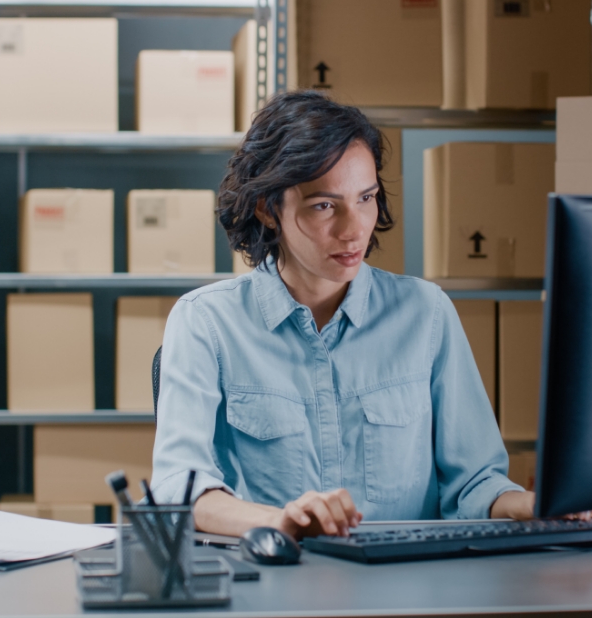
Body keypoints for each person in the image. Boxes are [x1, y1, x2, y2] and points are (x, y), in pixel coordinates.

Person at [150, 91, 536, 539]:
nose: (354, 229)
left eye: (366, 198)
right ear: (267, 208)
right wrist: (281, 522)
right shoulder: (206, 323)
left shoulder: (426, 314)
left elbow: (474, 483)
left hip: (404, 592)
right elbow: (179, 488)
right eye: (324, 205)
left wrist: (530, 504)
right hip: (274, 589)